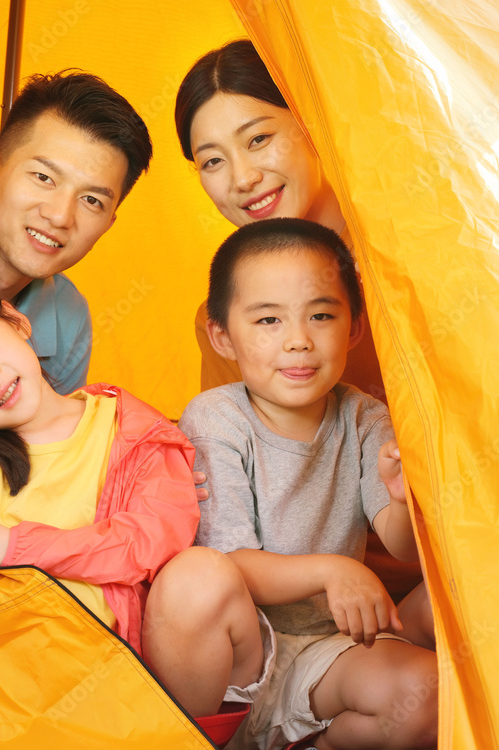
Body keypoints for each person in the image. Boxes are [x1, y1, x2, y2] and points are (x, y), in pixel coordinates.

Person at [0, 188, 270, 721]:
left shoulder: (131, 430)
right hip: (17, 683)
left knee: (200, 574)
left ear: (16, 322)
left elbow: (148, 544)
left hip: (122, 680)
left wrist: (13, 545)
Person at [175, 39, 423, 603]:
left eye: (258, 138)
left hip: (448, 560)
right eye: (212, 160)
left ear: (311, 123)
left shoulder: (409, 264)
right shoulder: (229, 319)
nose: (241, 178)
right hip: (307, 600)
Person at [178, 219, 437, 750]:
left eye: (321, 315)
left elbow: (400, 543)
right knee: (420, 688)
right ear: (223, 336)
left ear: (354, 328)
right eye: (268, 320)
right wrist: (331, 570)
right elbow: (230, 563)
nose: (299, 341)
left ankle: (312, 741)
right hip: (252, 654)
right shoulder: (217, 418)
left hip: (336, 644)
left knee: (439, 669)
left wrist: (399, 497)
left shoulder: (364, 416)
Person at [0, 71, 153, 396]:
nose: (59, 216)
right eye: (43, 177)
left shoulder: (69, 323)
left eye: (92, 200)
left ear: (107, 225)